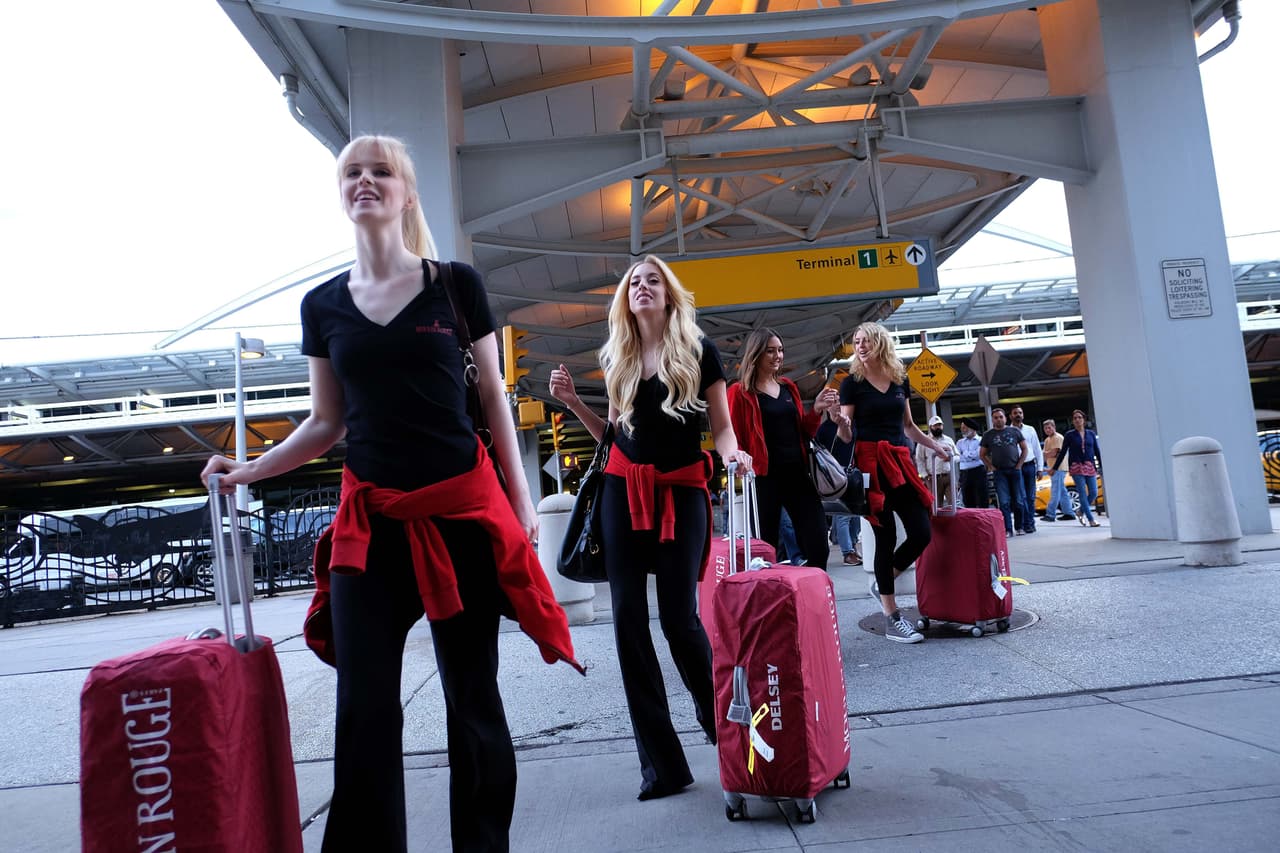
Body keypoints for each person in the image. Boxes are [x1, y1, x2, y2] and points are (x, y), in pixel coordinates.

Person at [199, 135, 581, 853]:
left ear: (405, 194)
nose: (366, 181)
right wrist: (249, 469)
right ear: (341, 193)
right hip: (370, 527)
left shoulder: (455, 286)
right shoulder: (322, 306)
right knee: (365, 708)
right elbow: (325, 421)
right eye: (352, 172)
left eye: (382, 172)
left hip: (460, 518)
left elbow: (493, 394)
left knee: (473, 703)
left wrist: (522, 502)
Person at [548, 255, 752, 801]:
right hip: (621, 492)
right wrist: (571, 403)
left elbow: (724, 427)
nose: (642, 286)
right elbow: (611, 437)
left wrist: (734, 458)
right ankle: (662, 768)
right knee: (628, 624)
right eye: (634, 281)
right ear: (625, 298)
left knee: (681, 620)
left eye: (652, 280)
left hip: (681, 494)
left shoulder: (699, 351)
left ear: (668, 294)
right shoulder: (617, 355)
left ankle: (728, 735)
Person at [836, 322, 951, 644]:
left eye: (866, 341)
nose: (860, 346)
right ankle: (891, 616)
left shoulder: (901, 379)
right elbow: (846, 434)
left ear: (880, 343)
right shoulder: (852, 383)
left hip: (900, 462)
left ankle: (885, 582)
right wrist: (842, 424)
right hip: (870, 465)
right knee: (883, 539)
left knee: (921, 532)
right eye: (856, 341)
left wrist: (936, 446)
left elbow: (910, 427)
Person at [726, 328, 840, 569]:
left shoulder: (789, 387)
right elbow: (733, 436)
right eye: (770, 351)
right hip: (763, 478)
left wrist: (817, 410)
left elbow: (803, 432)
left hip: (798, 475)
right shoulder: (739, 392)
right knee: (764, 549)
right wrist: (738, 459)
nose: (778, 356)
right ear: (756, 354)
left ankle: (809, 595)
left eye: (780, 350)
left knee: (818, 542)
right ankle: (772, 599)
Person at [815, 415, 861, 566]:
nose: (837, 405)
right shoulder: (824, 428)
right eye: (833, 402)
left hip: (851, 470)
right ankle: (847, 552)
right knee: (842, 515)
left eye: (839, 402)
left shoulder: (851, 423)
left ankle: (852, 547)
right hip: (835, 473)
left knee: (855, 513)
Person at [980, 407, 1029, 538]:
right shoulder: (988, 435)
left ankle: (1019, 527)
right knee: (1004, 502)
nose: (999, 419)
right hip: (999, 472)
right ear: (992, 420)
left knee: (1019, 501)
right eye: (996, 417)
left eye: (1001, 417)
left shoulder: (1014, 431)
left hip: (1015, 470)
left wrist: (1019, 465)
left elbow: (1024, 449)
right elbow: (982, 454)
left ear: (1005, 418)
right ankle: (1008, 529)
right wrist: (991, 466)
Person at [1053, 409, 1104, 527]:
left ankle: (1080, 511)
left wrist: (1101, 466)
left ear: (1084, 420)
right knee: (1082, 493)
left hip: (1090, 466)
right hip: (1076, 467)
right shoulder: (1069, 435)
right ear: (1073, 421)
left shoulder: (1090, 434)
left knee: (1094, 492)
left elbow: (1097, 450)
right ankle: (1091, 519)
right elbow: (1063, 452)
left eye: (1079, 417)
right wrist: (1055, 468)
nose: (1077, 420)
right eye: (1075, 418)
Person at [1009, 405, 1043, 534]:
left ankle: (1030, 523)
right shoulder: (1008, 431)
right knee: (1021, 497)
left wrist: (1040, 468)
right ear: (1011, 416)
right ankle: (1026, 524)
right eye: (1015, 413)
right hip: (1016, 467)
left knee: (1031, 497)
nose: (1018, 415)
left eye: (1020, 412)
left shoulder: (1030, 430)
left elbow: (1037, 449)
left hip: (1030, 465)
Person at [914, 414, 958, 504]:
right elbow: (919, 460)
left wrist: (950, 458)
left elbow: (958, 456)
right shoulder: (924, 441)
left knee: (953, 504)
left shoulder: (948, 440)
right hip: (933, 477)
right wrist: (925, 476)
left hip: (949, 475)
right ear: (930, 427)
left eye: (940, 425)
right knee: (936, 506)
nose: (938, 427)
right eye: (935, 425)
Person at [1041, 417, 1073, 522]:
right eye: (1045, 428)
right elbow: (1045, 455)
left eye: (1049, 428)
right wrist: (1049, 454)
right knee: (1062, 491)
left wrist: (1048, 454)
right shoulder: (1047, 440)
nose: (1047, 430)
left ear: (1054, 427)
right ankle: (1069, 513)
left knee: (1055, 492)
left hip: (1058, 468)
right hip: (1053, 468)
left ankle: (1050, 514)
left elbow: (1055, 453)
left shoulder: (1057, 437)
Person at [956, 417, 988, 510]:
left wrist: (964, 454)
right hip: (965, 473)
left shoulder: (981, 440)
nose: (962, 430)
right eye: (962, 427)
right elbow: (957, 457)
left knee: (981, 497)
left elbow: (978, 455)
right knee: (967, 499)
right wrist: (969, 456)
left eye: (964, 427)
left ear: (972, 428)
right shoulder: (960, 442)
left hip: (978, 471)